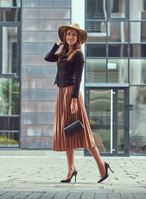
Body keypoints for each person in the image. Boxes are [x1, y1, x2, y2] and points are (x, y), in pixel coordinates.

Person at [44, 23, 113, 183]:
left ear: (77, 39)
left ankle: (102, 166)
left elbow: (78, 78)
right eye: (68, 34)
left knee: (84, 132)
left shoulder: (78, 55)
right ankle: (71, 169)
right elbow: (47, 57)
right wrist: (57, 44)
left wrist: (74, 100)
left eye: (73, 35)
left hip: (71, 94)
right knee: (68, 132)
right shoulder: (62, 54)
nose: (70, 37)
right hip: (61, 94)